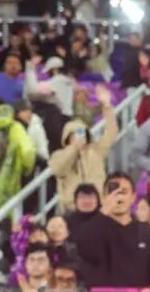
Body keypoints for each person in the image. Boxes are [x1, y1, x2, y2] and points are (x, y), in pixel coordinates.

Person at [49, 84, 117, 212]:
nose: (79, 136)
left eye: (82, 133)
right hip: (72, 208)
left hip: (97, 205)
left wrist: (107, 106)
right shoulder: (59, 154)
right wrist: (74, 148)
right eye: (74, 134)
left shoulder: (96, 151)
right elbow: (57, 169)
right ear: (67, 137)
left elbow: (111, 133)